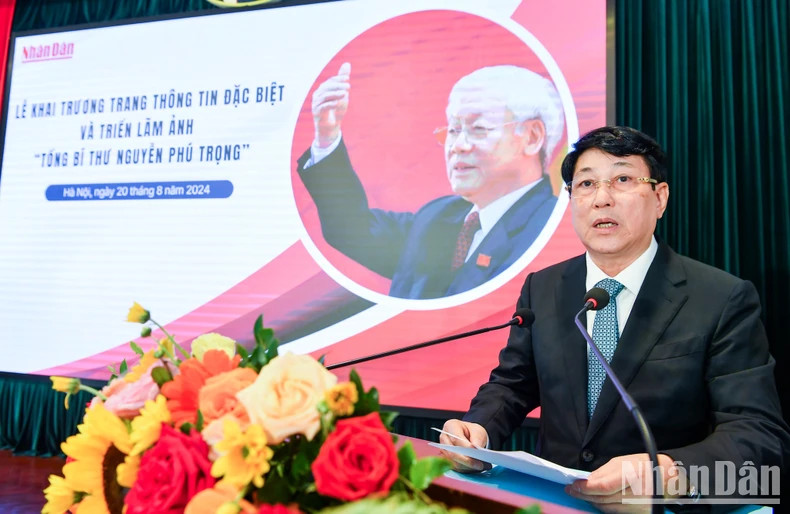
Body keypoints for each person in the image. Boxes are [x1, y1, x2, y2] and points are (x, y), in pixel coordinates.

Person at [440, 126, 790, 509]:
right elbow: (513, 384)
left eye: (622, 179)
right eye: (586, 184)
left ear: (659, 198)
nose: (601, 199)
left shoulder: (721, 298)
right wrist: (479, 430)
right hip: (556, 503)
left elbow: (758, 436)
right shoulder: (545, 287)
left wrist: (669, 477)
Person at [296, 63, 565, 299]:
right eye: (453, 129)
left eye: (478, 128)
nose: (457, 146)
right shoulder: (439, 216)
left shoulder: (551, 229)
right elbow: (351, 230)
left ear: (532, 137)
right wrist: (326, 136)